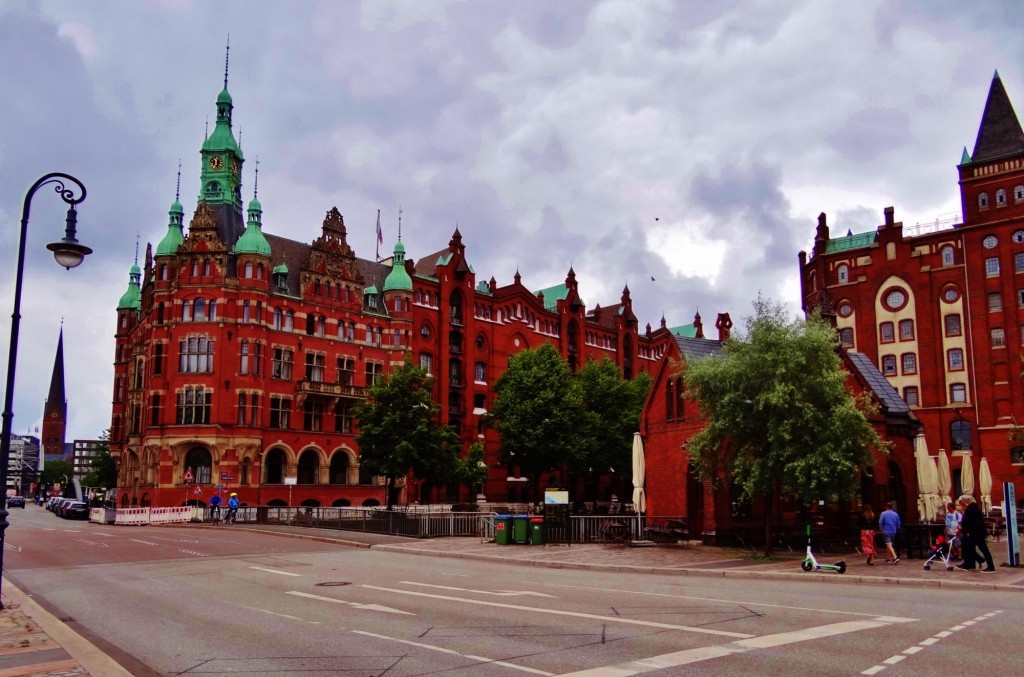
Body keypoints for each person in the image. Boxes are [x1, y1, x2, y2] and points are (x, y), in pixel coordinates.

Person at [956, 495, 995, 573]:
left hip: (976, 533)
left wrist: (960, 528)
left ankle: (990, 567)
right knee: (969, 547)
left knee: (983, 549)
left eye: (961, 502)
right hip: (977, 533)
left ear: (964, 501)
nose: (960, 504)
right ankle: (969, 564)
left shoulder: (970, 509)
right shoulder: (974, 507)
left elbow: (966, 522)